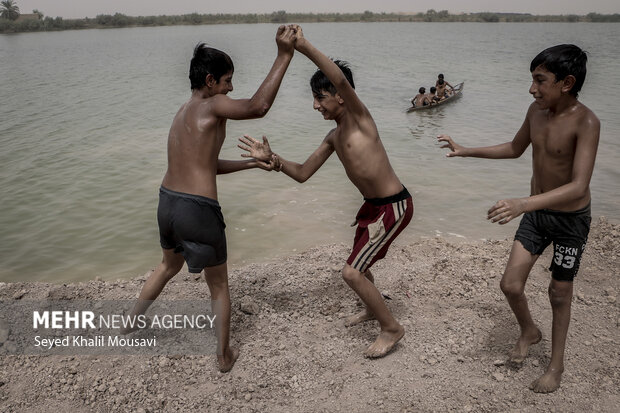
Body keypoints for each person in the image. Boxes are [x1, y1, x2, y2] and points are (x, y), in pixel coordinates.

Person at [121, 26, 297, 373]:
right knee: (218, 286)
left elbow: (205, 165)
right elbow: (258, 106)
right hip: (197, 210)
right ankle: (222, 355)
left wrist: (251, 163)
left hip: (167, 203)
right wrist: (283, 55)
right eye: (228, 80)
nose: (231, 88)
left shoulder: (182, 113)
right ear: (211, 80)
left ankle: (129, 324)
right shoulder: (215, 104)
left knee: (168, 266)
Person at [239, 25, 413, 358]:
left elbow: (343, 80)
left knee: (351, 272)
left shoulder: (362, 119)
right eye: (315, 98)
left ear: (340, 97)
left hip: (394, 206)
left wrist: (301, 45)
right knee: (361, 263)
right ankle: (371, 308)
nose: (315, 105)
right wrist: (273, 159)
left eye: (320, 97)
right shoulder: (334, 137)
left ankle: (391, 328)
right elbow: (303, 173)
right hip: (373, 208)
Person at [438, 44, 599, 393]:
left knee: (559, 292)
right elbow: (514, 149)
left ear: (567, 82)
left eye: (540, 81)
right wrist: (466, 149)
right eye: (532, 80)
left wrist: (523, 203)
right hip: (537, 214)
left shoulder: (586, 122)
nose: (532, 89)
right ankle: (529, 330)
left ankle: (555, 366)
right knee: (510, 285)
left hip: (570, 221)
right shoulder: (535, 112)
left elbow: (578, 186)